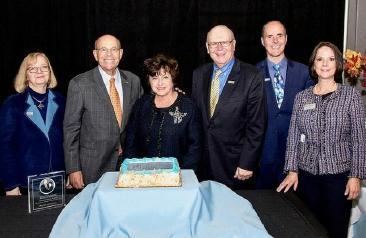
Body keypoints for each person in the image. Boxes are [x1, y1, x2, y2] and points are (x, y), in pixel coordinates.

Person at [277, 42, 366, 237]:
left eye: (331, 59)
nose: (325, 64)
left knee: (335, 231)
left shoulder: (351, 96)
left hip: (339, 179)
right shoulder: (302, 98)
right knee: (308, 230)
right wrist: (292, 170)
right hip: (307, 178)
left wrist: (355, 176)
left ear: (338, 64)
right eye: (320, 59)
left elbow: (359, 139)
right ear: (313, 65)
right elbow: (293, 135)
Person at [63, 34, 143, 189]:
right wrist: (73, 169)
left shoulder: (133, 81)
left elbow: (140, 117)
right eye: (103, 49)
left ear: (121, 53)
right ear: (95, 54)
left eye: (114, 49)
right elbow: (70, 129)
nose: (109, 54)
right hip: (92, 167)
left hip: (127, 165)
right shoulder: (79, 84)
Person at [191, 25, 267, 189]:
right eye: (213, 43)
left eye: (224, 42)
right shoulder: (198, 74)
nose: (219, 48)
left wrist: (247, 163)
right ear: (207, 47)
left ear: (234, 44)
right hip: (203, 165)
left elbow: (257, 125)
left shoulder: (252, 75)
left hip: (235, 166)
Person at [256, 20, 314, 189]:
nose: (275, 40)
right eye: (270, 36)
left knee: (295, 213)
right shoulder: (252, 74)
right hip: (263, 159)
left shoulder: (304, 73)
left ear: (286, 38)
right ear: (262, 41)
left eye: (279, 35)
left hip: (296, 160)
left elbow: (311, 116)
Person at [0, 52, 65, 196]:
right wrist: (11, 184)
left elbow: (69, 138)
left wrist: (70, 172)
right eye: (33, 68)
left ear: (50, 71)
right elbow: (4, 147)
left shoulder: (61, 101)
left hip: (58, 181)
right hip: (25, 185)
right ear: (25, 74)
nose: (39, 71)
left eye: (44, 67)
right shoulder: (13, 104)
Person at [123, 54, 201, 170]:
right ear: (149, 80)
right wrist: (131, 170)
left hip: (180, 177)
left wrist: (183, 175)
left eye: (165, 77)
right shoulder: (141, 105)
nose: (160, 83)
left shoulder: (188, 106)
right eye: (154, 78)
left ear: (173, 79)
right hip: (144, 175)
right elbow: (131, 142)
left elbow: (195, 147)